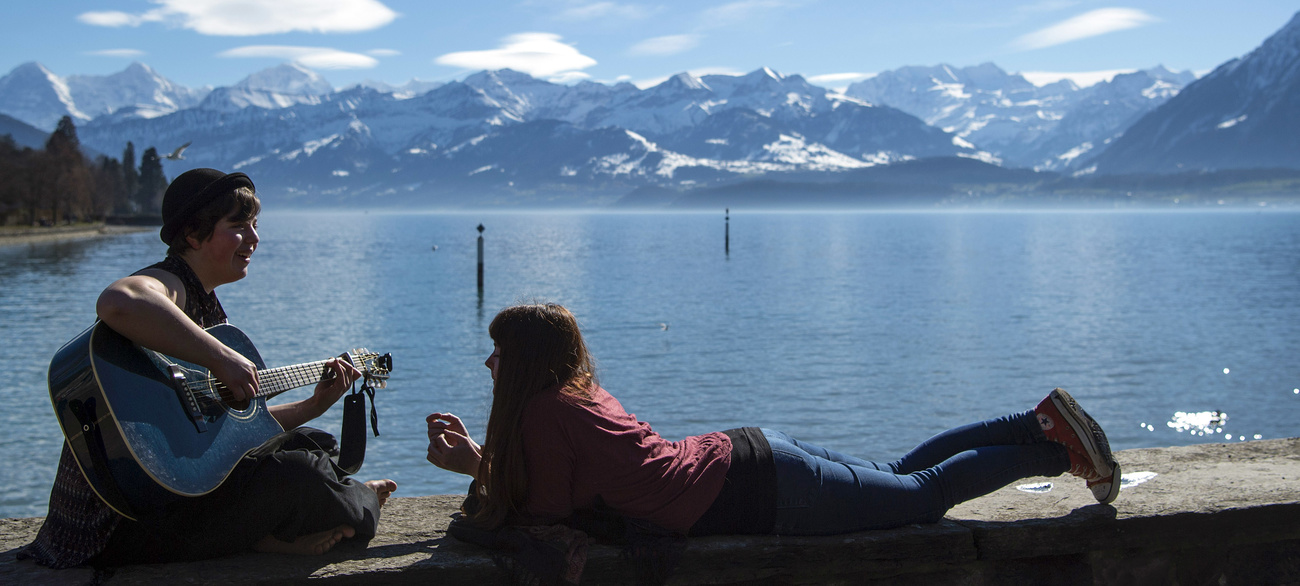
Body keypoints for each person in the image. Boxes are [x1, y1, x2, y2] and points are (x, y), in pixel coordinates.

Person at [426, 303, 1119, 543]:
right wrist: (486, 459)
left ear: (525, 363)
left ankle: (1058, 452)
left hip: (757, 492)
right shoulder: (574, 394)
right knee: (908, 475)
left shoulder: (544, 413)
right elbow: (572, 480)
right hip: (747, 456)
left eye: (499, 351)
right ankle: (1036, 422)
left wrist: (475, 468)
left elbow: (544, 512)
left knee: (925, 497)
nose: (490, 361)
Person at [22, 168, 398, 569]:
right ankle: (359, 500)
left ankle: (273, 533)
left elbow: (232, 439)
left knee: (314, 443)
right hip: (117, 528)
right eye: (238, 226)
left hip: (170, 502)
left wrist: (312, 405)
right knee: (301, 475)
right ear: (193, 234)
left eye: (254, 225)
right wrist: (222, 357)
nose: (254, 238)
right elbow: (119, 300)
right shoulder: (173, 282)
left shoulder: (206, 308)